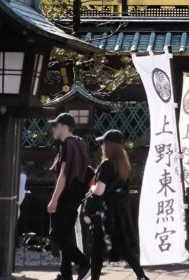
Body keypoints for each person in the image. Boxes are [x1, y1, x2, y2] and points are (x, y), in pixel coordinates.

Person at [87, 130, 148, 280]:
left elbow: (100, 190)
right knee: (124, 247)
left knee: (97, 248)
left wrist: (91, 188)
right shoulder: (123, 164)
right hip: (119, 211)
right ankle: (141, 276)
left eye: (103, 143)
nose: (101, 146)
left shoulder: (106, 165)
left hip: (105, 211)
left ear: (109, 146)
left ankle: (95, 278)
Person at [47, 113, 91, 280]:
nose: (54, 128)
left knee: (56, 234)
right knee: (65, 234)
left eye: (56, 125)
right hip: (75, 196)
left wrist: (54, 199)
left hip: (66, 195)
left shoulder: (67, 144)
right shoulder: (79, 143)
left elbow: (64, 174)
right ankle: (65, 275)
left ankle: (84, 263)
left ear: (64, 126)